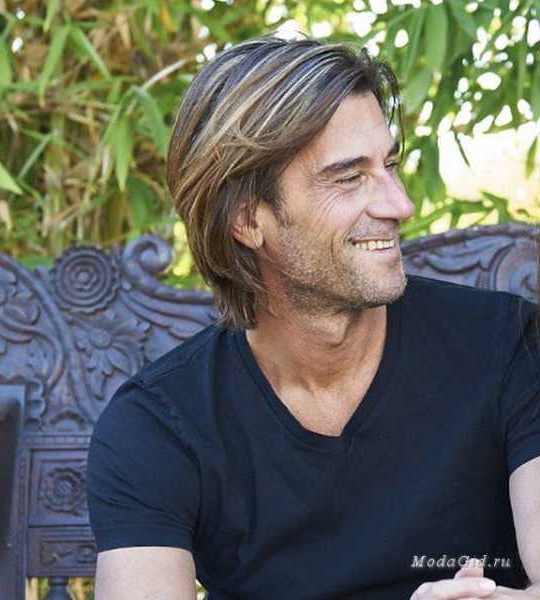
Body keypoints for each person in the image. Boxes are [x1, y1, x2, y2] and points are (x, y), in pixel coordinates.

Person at [86, 37, 540, 599]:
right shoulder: (159, 425)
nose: (400, 205)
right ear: (247, 221)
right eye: (349, 177)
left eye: (389, 165)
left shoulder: (506, 347)